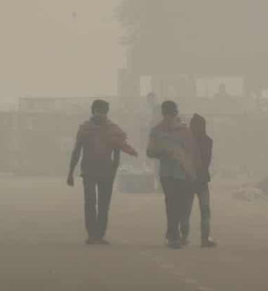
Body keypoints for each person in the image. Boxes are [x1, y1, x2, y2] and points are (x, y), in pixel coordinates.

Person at [67, 100, 137, 244]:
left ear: (107, 112)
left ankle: (100, 234)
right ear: (93, 111)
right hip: (89, 170)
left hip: (106, 171)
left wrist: (114, 169)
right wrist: (70, 172)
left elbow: (117, 150)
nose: (100, 114)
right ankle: (92, 234)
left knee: (104, 204)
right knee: (90, 201)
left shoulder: (112, 129)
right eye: (98, 110)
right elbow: (77, 151)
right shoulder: (85, 129)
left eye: (103, 111)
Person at [147, 100, 199, 249]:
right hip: (168, 174)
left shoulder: (185, 131)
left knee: (184, 205)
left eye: (171, 115)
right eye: (167, 115)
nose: (169, 118)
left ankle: (183, 230)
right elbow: (150, 152)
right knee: (172, 204)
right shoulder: (157, 131)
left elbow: (193, 152)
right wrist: (165, 152)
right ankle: (173, 236)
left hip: (185, 172)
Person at [186, 114, 217, 248]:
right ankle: (205, 238)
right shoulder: (207, 141)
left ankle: (183, 236)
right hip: (202, 179)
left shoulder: (187, 140)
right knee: (204, 210)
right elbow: (206, 161)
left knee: (186, 210)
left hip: (189, 178)